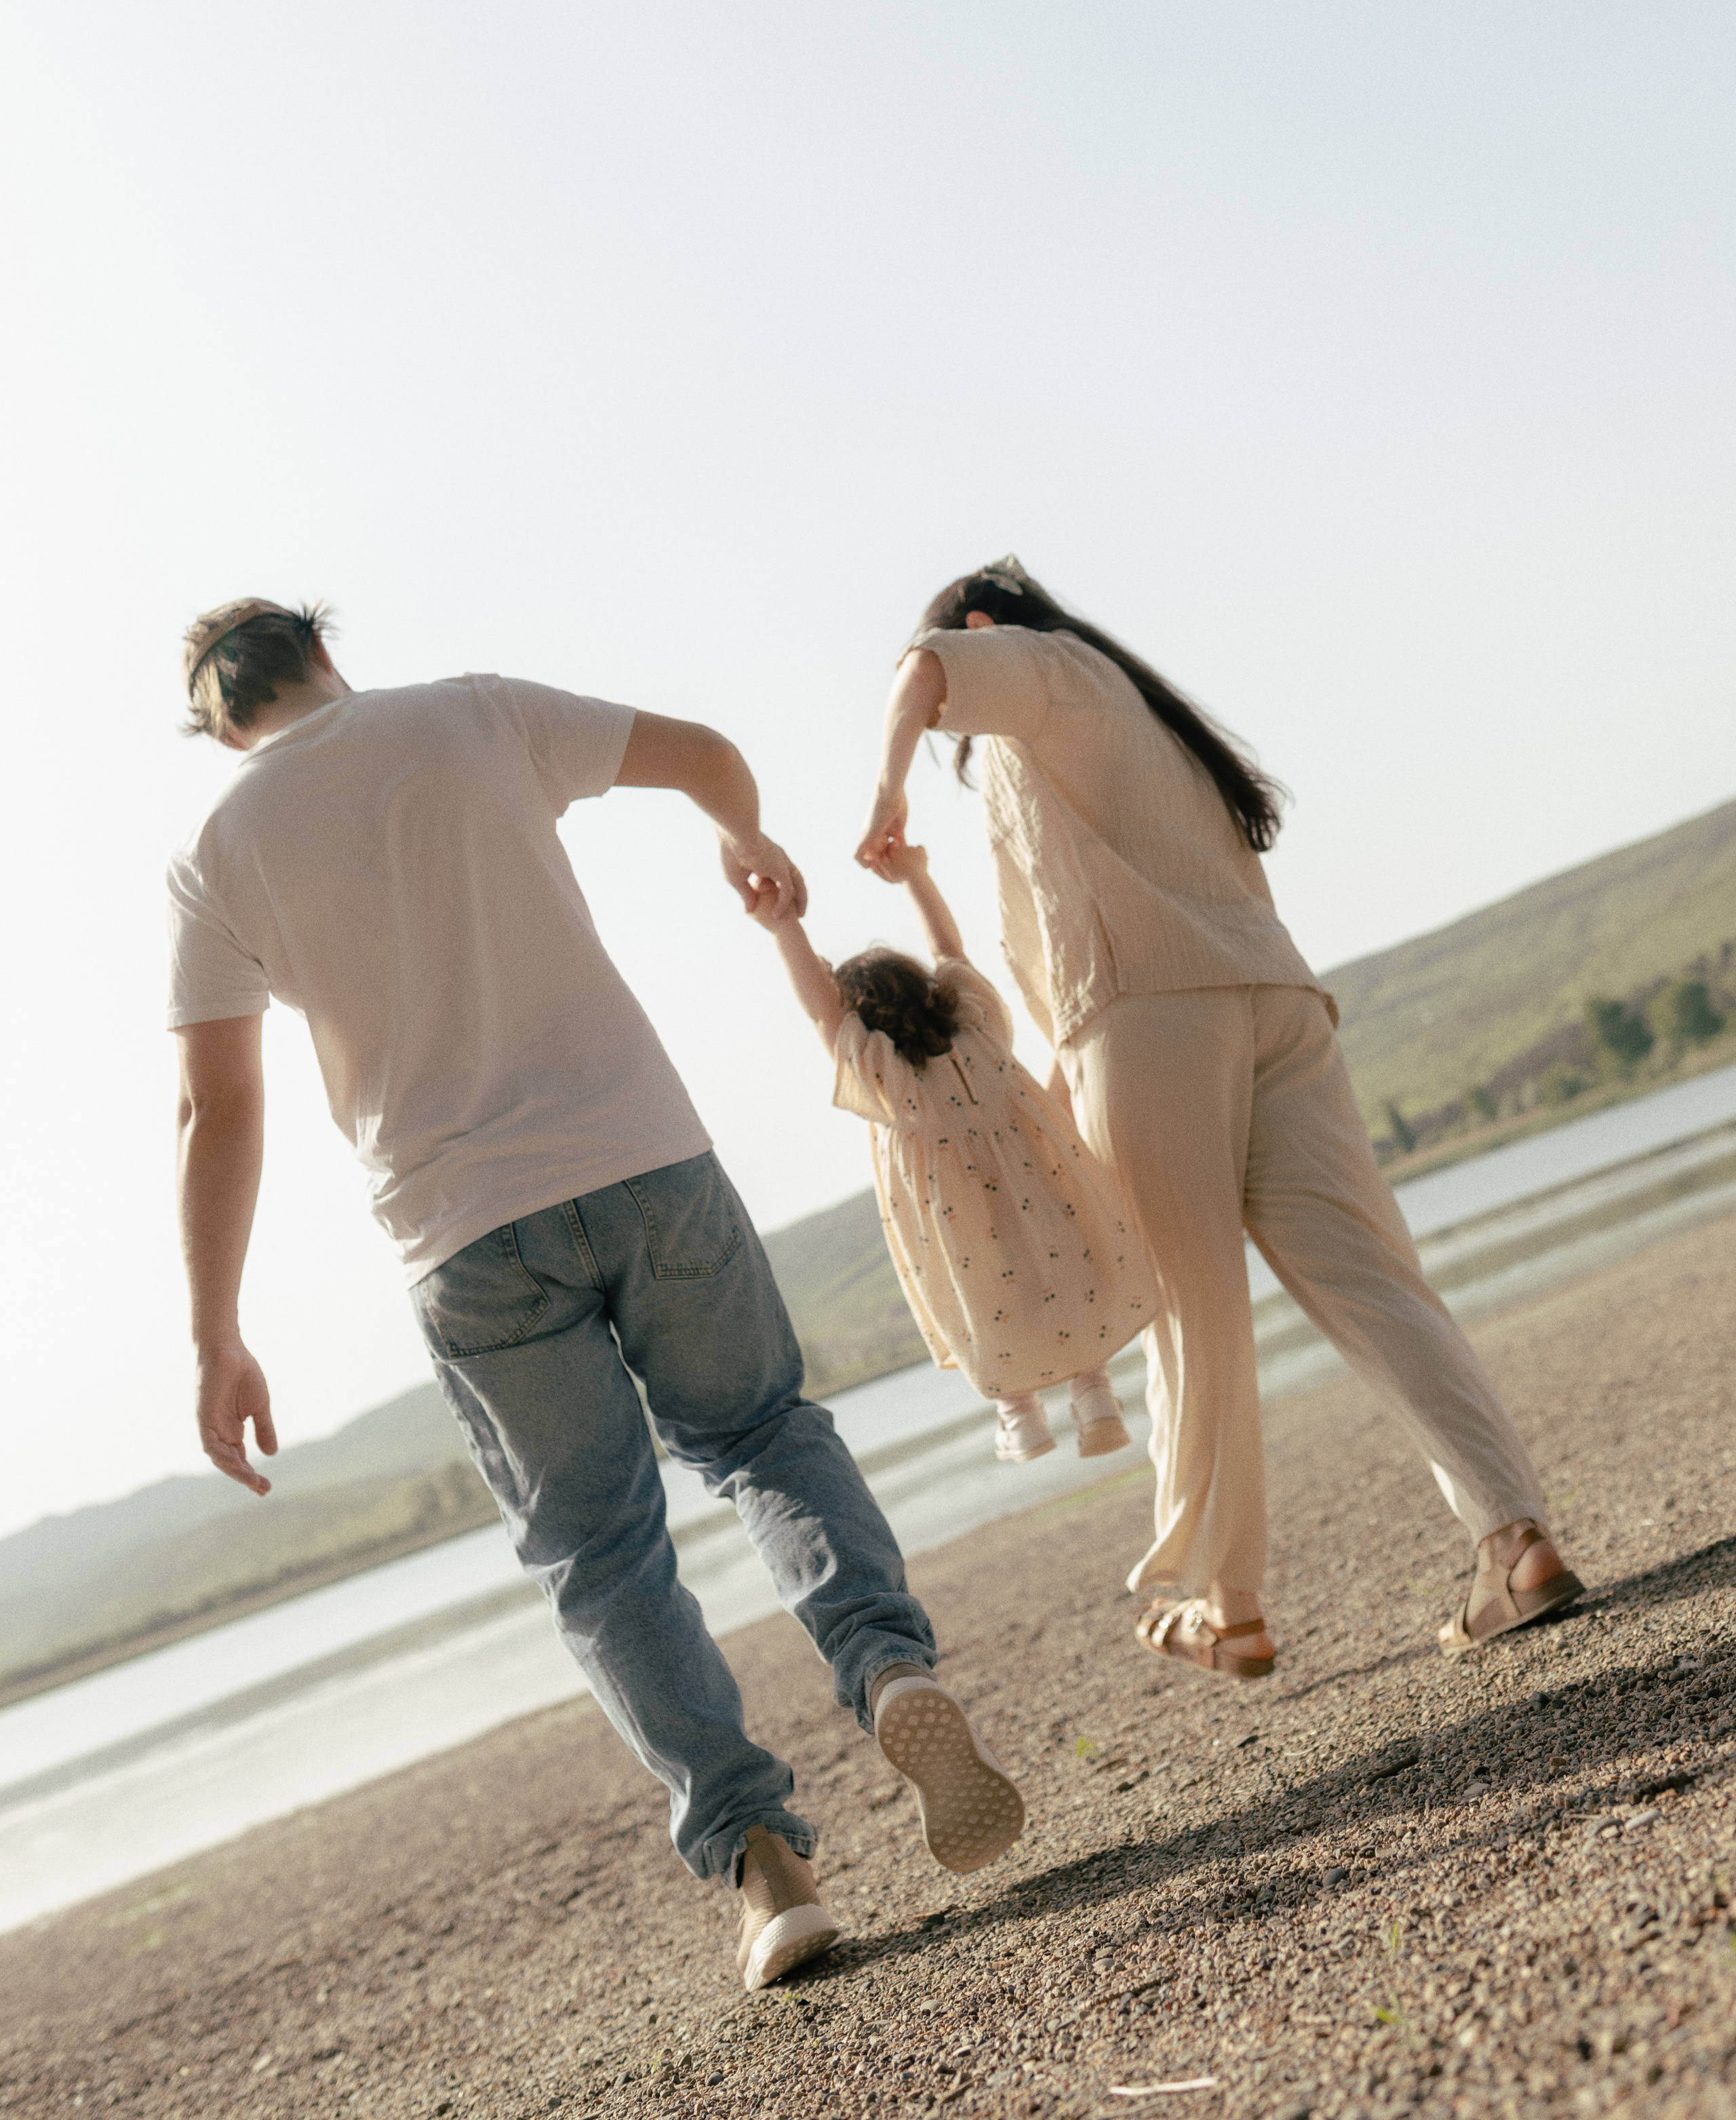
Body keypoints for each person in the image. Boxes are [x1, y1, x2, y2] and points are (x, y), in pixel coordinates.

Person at [167, 597, 1025, 1995]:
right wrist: (744, 842)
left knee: (599, 1555)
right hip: (641, 1155)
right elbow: (702, 753)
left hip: (459, 1231)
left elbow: (217, 1107)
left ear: (219, 723)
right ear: (324, 655)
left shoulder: (215, 849)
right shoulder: (467, 713)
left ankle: (765, 1872)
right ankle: (886, 1673)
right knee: (758, 1434)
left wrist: (218, 1332)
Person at [855, 559, 1584, 1680]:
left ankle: (1224, 1605)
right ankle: (1517, 1541)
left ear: (993, 629)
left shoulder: (1043, 673)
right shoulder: (1135, 713)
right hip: (1273, 999)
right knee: (1375, 1280)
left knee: (1188, 1313)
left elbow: (924, 669)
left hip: (1151, 1022)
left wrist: (890, 787)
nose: (959, 725)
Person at [750, 838, 1149, 1465]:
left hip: (955, 1222)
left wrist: (785, 930)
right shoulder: (979, 1029)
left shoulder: (886, 1078)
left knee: (984, 1298)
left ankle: (1020, 1418)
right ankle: (1095, 1395)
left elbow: (821, 1013)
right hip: (1040, 1187)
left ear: (863, 1018)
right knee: (1065, 1266)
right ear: (926, 989)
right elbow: (949, 950)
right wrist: (916, 877)